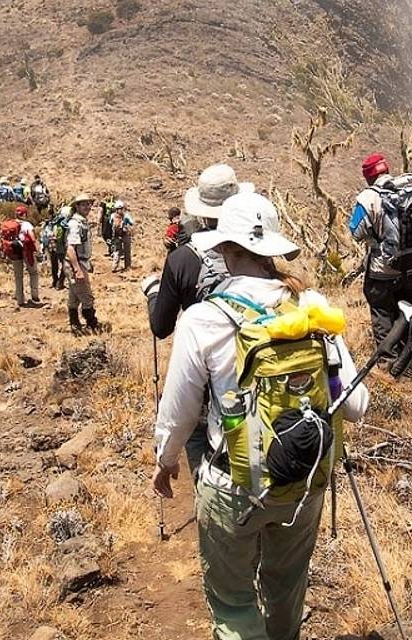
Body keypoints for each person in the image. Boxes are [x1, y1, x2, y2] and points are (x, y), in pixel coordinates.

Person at [151, 191, 369, 640]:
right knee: (286, 587)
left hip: (233, 482)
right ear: (271, 248)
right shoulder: (311, 307)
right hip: (303, 481)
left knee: (232, 603)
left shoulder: (203, 318)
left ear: (226, 251)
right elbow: (356, 404)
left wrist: (166, 462)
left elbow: (180, 412)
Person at [144, 163, 249, 479]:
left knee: (203, 451)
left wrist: (152, 293)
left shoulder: (182, 258)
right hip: (252, 368)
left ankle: (210, 505)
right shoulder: (256, 250)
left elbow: (161, 327)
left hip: (203, 377)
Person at [348, 153, 412, 366]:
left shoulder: (368, 197)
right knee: (407, 311)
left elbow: (356, 231)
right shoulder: (411, 189)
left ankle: (389, 362)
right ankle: (411, 356)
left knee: (382, 312)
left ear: (367, 176)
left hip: (383, 269)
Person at [64, 193, 99, 333]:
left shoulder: (82, 222)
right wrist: (77, 269)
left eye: (88, 204)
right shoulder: (75, 224)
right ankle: (92, 325)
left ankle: (74, 325)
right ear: (76, 206)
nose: (87, 206)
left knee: (74, 297)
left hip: (79, 263)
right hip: (75, 265)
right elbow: (70, 248)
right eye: (83, 204)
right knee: (87, 297)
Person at [6, 205, 42, 308]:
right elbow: (32, 238)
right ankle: (35, 296)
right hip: (26, 251)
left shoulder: (11, 224)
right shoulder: (27, 224)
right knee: (33, 273)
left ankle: (20, 300)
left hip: (14, 250)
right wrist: (37, 250)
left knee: (18, 276)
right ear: (24, 214)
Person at [42, 207, 69, 290]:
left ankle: (55, 281)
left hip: (52, 246)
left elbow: (44, 234)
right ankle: (60, 282)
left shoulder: (50, 223)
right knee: (65, 264)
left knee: (54, 264)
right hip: (62, 246)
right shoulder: (64, 223)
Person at [112, 200, 134, 271]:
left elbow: (110, 222)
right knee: (127, 251)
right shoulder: (126, 215)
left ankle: (115, 266)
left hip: (116, 235)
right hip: (125, 234)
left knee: (117, 250)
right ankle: (127, 266)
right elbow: (132, 222)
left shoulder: (113, 215)